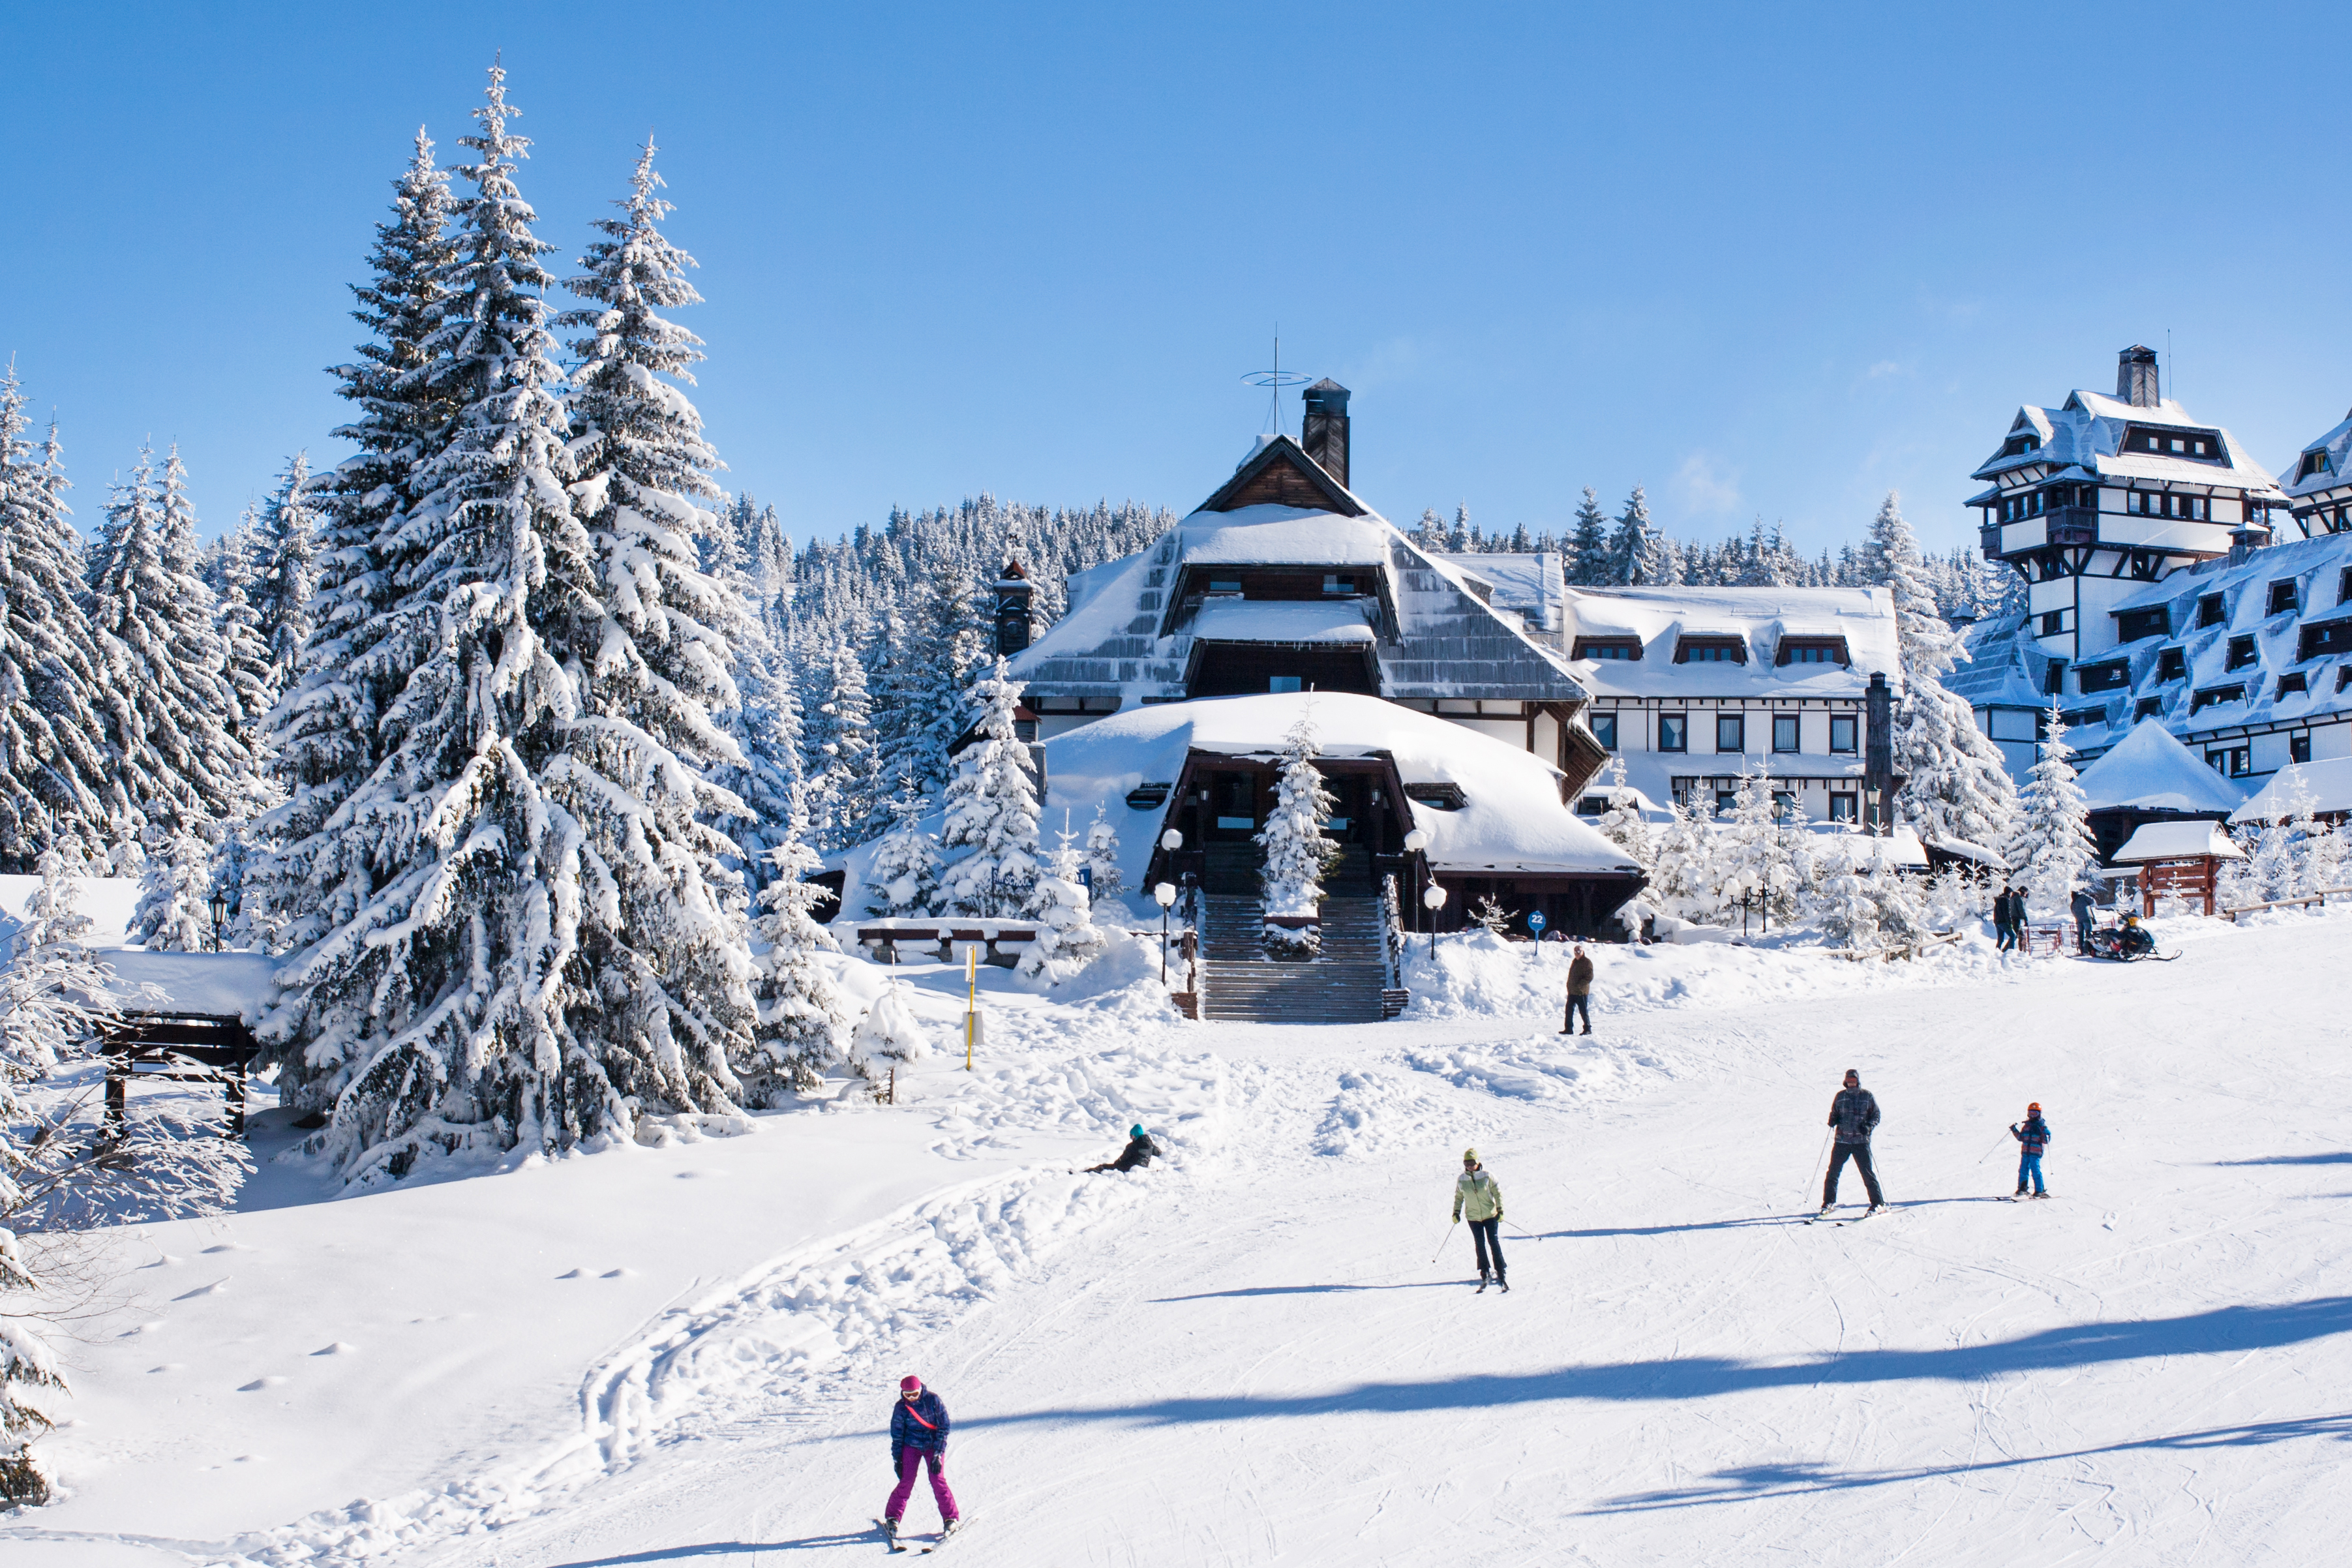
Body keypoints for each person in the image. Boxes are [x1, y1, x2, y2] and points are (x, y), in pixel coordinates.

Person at [884, 1375, 959, 1546]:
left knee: (937, 1479)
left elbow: (944, 1426)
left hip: (933, 1445)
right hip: (911, 1446)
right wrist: (898, 1459)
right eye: (908, 1395)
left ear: (921, 1390)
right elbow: (897, 1435)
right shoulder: (901, 1408)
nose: (912, 1398)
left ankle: (951, 1518)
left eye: (915, 1394)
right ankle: (893, 1518)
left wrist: (938, 1454)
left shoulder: (933, 1400)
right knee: (906, 1481)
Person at [1820, 1068, 1886, 1214]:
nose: (1851, 1083)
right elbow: (1834, 1112)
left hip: (1860, 1142)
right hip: (1842, 1141)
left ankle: (1878, 1203)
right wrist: (1832, 1120)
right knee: (1833, 1173)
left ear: (1857, 1081)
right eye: (1849, 1081)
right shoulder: (1840, 1096)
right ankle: (1828, 1203)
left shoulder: (1867, 1096)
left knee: (1867, 1173)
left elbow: (1876, 1115)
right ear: (1845, 1081)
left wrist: (1868, 1126)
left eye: (1853, 1081)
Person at [1452, 1148, 1508, 1293]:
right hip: (1473, 1217)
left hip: (1490, 1215)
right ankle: (1484, 1271)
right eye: (1466, 1163)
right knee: (1479, 1244)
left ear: (1478, 1162)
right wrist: (1456, 1212)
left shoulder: (1487, 1176)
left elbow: (1497, 1192)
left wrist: (1500, 1210)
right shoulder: (1462, 1179)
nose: (1469, 1166)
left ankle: (1501, 1271)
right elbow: (1459, 1197)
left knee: (1493, 1242)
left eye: (1472, 1162)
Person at [2010, 1102, 2051, 1198]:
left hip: (2035, 1154)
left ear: (2039, 1114)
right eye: (2031, 1113)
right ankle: (2022, 1189)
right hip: (2025, 1153)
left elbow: (2046, 1141)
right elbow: (2021, 1138)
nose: (2032, 1116)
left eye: (2035, 1114)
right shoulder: (2027, 1126)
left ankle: (2039, 1191)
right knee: (2023, 1170)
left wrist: (2046, 1132)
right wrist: (2014, 1130)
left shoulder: (2041, 1127)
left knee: (2035, 1171)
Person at [1084, 1124, 1161, 1174]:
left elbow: (1124, 1158)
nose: (1131, 1137)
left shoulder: (1133, 1145)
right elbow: (1159, 1153)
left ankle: (1086, 1173)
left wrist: (1116, 1165)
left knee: (1104, 1167)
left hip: (1130, 1167)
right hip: (1143, 1167)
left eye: (1131, 1135)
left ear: (1135, 1135)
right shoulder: (1150, 1145)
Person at [1561, 945, 1595, 1035]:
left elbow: (1589, 977)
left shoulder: (1587, 962)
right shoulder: (1575, 962)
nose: (1577, 953)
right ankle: (1568, 1029)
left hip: (1581, 992)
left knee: (1583, 1011)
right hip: (1572, 992)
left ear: (1583, 952)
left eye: (1579, 951)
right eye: (1575, 951)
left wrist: (1580, 986)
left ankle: (1587, 1028)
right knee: (1569, 1010)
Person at [2070, 885, 2095, 955]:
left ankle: (2082, 950)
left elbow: (2073, 912)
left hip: (2078, 921)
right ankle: (2089, 949)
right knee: (2088, 934)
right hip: (2086, 918)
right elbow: (2092, 901)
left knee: (2080, 935)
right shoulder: (2083, 897)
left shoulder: (2073, 904)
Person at [1993, 884, 2017, 952]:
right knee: (2013, 936)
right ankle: (2011, 951)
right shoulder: (2006, 900)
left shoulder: (1998, 901)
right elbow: (2006, 913)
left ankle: (1997, 952)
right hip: (2004, 922)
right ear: (2009, 893)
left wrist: (1995, 921)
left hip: (1998, 922)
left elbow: (1995, 912)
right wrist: (2010, 922)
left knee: (2000, 939)